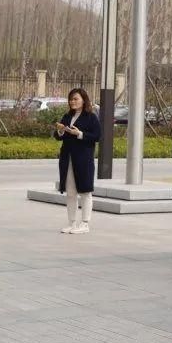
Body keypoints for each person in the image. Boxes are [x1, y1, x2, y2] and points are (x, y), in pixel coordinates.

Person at [53, 88, 101, 234]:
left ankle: (85, 223)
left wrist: (79, 134)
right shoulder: (67, 116)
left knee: (85, 191)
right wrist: (61, 130)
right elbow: (58, 135)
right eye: (71, 99)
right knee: (71, 193)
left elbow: (97, 136)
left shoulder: (91, 117)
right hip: (68, 158)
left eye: (76, 99)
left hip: (83, 159)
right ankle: (72, 222)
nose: (72, 102)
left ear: (83, 100)